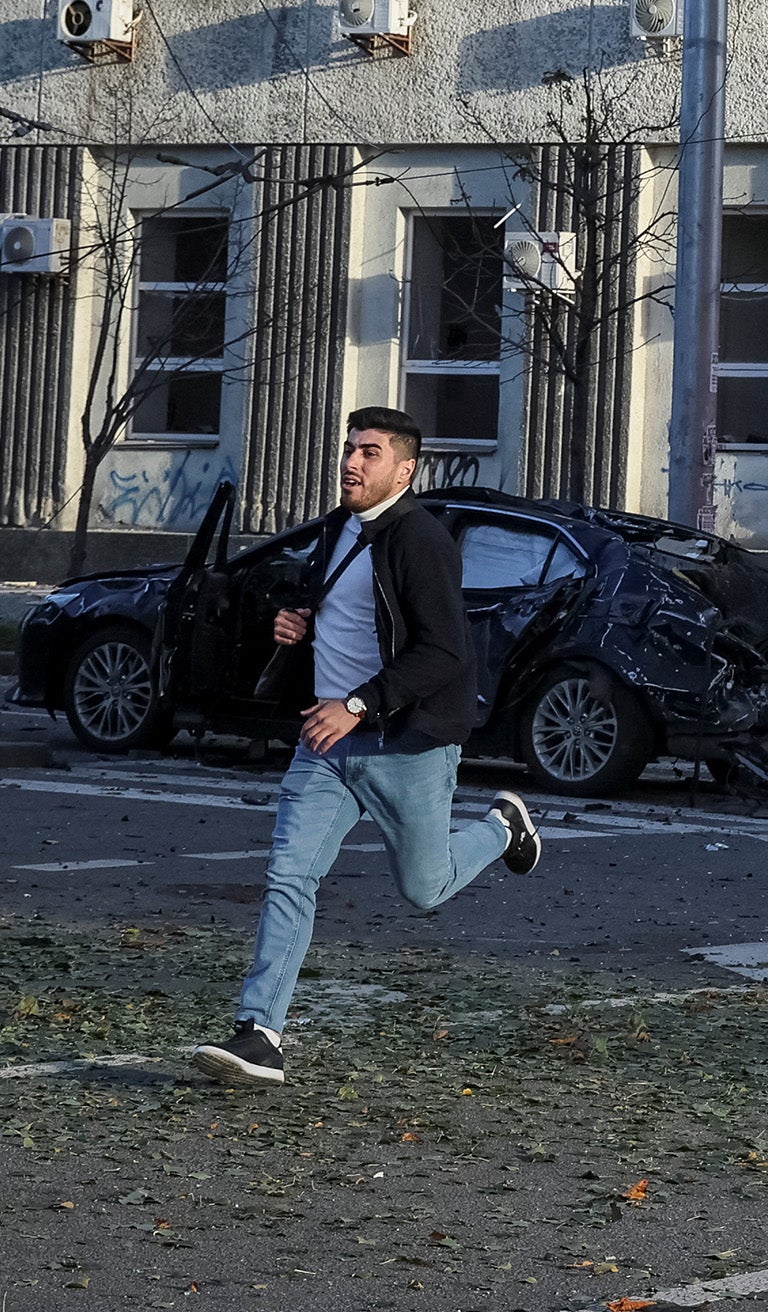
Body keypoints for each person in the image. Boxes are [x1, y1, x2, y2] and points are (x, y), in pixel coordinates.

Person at [193, 408, 541, 1085]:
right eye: (350, 449)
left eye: (370, 453)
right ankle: (260, 1032)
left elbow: (444, 653)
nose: (352, 462)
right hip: (325, 745)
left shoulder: (422, 540)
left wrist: (358, 705)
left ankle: (501, 827)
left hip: (403, 745)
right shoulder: (337, 529)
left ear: (404, 470)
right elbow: (348, 616)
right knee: (289, 877)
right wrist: (299, 622)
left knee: (424, 888)